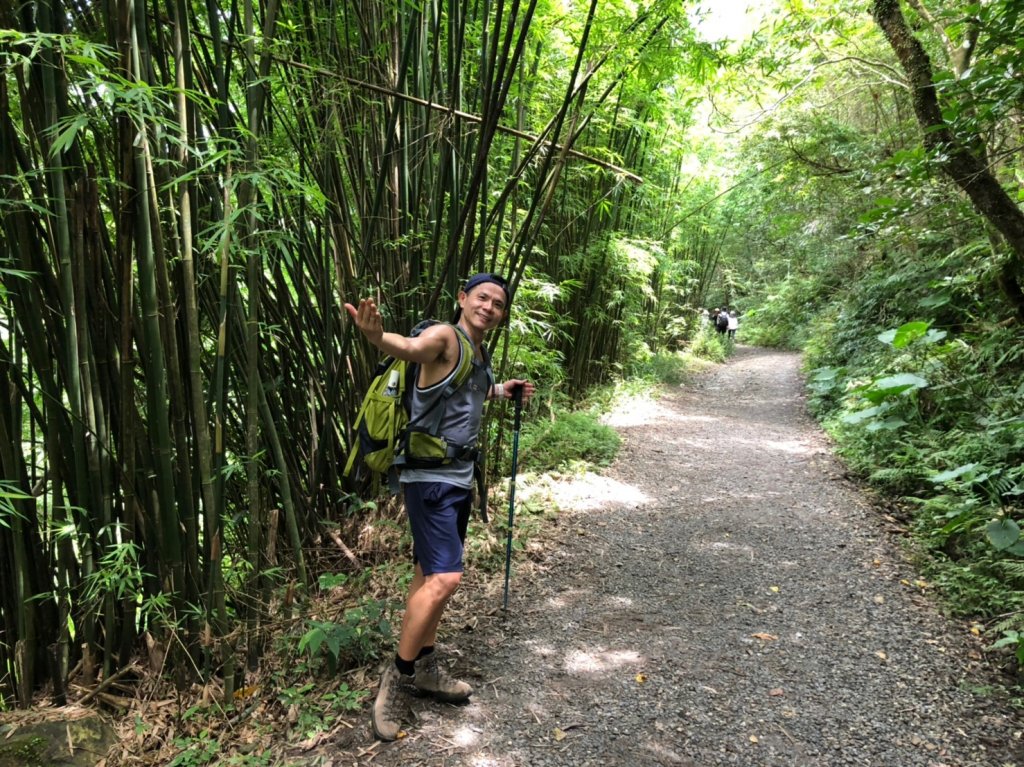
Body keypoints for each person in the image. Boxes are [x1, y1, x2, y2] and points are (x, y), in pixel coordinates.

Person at [345, 273, 535, 741]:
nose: (489, 307)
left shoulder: (476, 351)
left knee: (427, 574)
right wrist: (375, 336)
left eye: (498, 303)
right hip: (430, 480)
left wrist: (500, 389)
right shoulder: (446, 337)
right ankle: (398, 676)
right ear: (462, 298)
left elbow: (464, 391)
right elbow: (411, 348)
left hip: (456, 479)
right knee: (447, 578)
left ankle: (426, 666)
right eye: (482, 297)